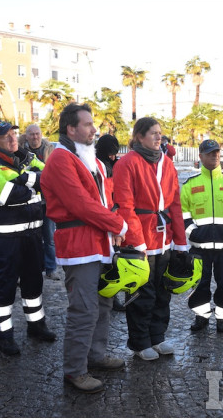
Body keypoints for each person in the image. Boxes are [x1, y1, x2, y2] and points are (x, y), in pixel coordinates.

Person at [40, 103, 128, 393]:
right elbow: (80, 204)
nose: (94, 129)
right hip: (80, 244)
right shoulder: (61, 160)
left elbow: (105, 197)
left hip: (98, 241)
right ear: (71, 129)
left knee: (102, 304)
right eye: (88, 124)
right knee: (84, 309)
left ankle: (96, 355)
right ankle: (75, 370)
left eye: (93, 124)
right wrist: (117, 224)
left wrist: (113, 222)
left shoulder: (90, 159)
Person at [0, 120, 56, 357]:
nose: (12, 139)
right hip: (7, 240)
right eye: (5, 136)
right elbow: (12, 195)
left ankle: (36, 326)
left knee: (34, 283)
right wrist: (33, 182)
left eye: (13, 134)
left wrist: (26, 179)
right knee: (5, 287)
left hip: (33, 236)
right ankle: (5, 336)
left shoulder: (27, 158)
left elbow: (48, 178)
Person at [112, 117, 187, 361]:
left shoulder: (167, 163)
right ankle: (139, 342)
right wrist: (137, 242)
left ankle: (158, 337)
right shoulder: (127, 163)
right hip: (140, 239)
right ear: (139, 136)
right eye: (153, 133)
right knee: (141, 294)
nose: (159, 137)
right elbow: (125, 205)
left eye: (160, 133)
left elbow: (175, 203)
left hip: (164, 237)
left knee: (162, 292)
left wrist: (180, 240)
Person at [180, 139, 223, 333]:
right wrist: (193, 232)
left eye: (217, 152)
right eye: (210, 153)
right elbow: (183, 214)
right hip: (199, 247)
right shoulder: (190, 184)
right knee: (199, 284)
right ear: (201, 156)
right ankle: (201, 316)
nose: (215, 155)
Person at [95, 133, 126, 312]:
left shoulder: (116, 164)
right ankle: (107, 296)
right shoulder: (97, 166)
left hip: (117, 217)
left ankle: (112, 296)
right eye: (111, 154)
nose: (113, 157)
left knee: (115, 260)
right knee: (106, 262)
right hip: (106, 218)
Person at [21, 124, 57, 279]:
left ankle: (51, 269)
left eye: (37, 134)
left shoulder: (50, 150)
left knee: (49, 237)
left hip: (47, 201)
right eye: (32, 134)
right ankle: (34, 269)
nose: (35, 137)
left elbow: (56, 172)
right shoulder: (20, 151)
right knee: (31, 238)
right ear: (27, 136)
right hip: (28, 202)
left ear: (41, 134)